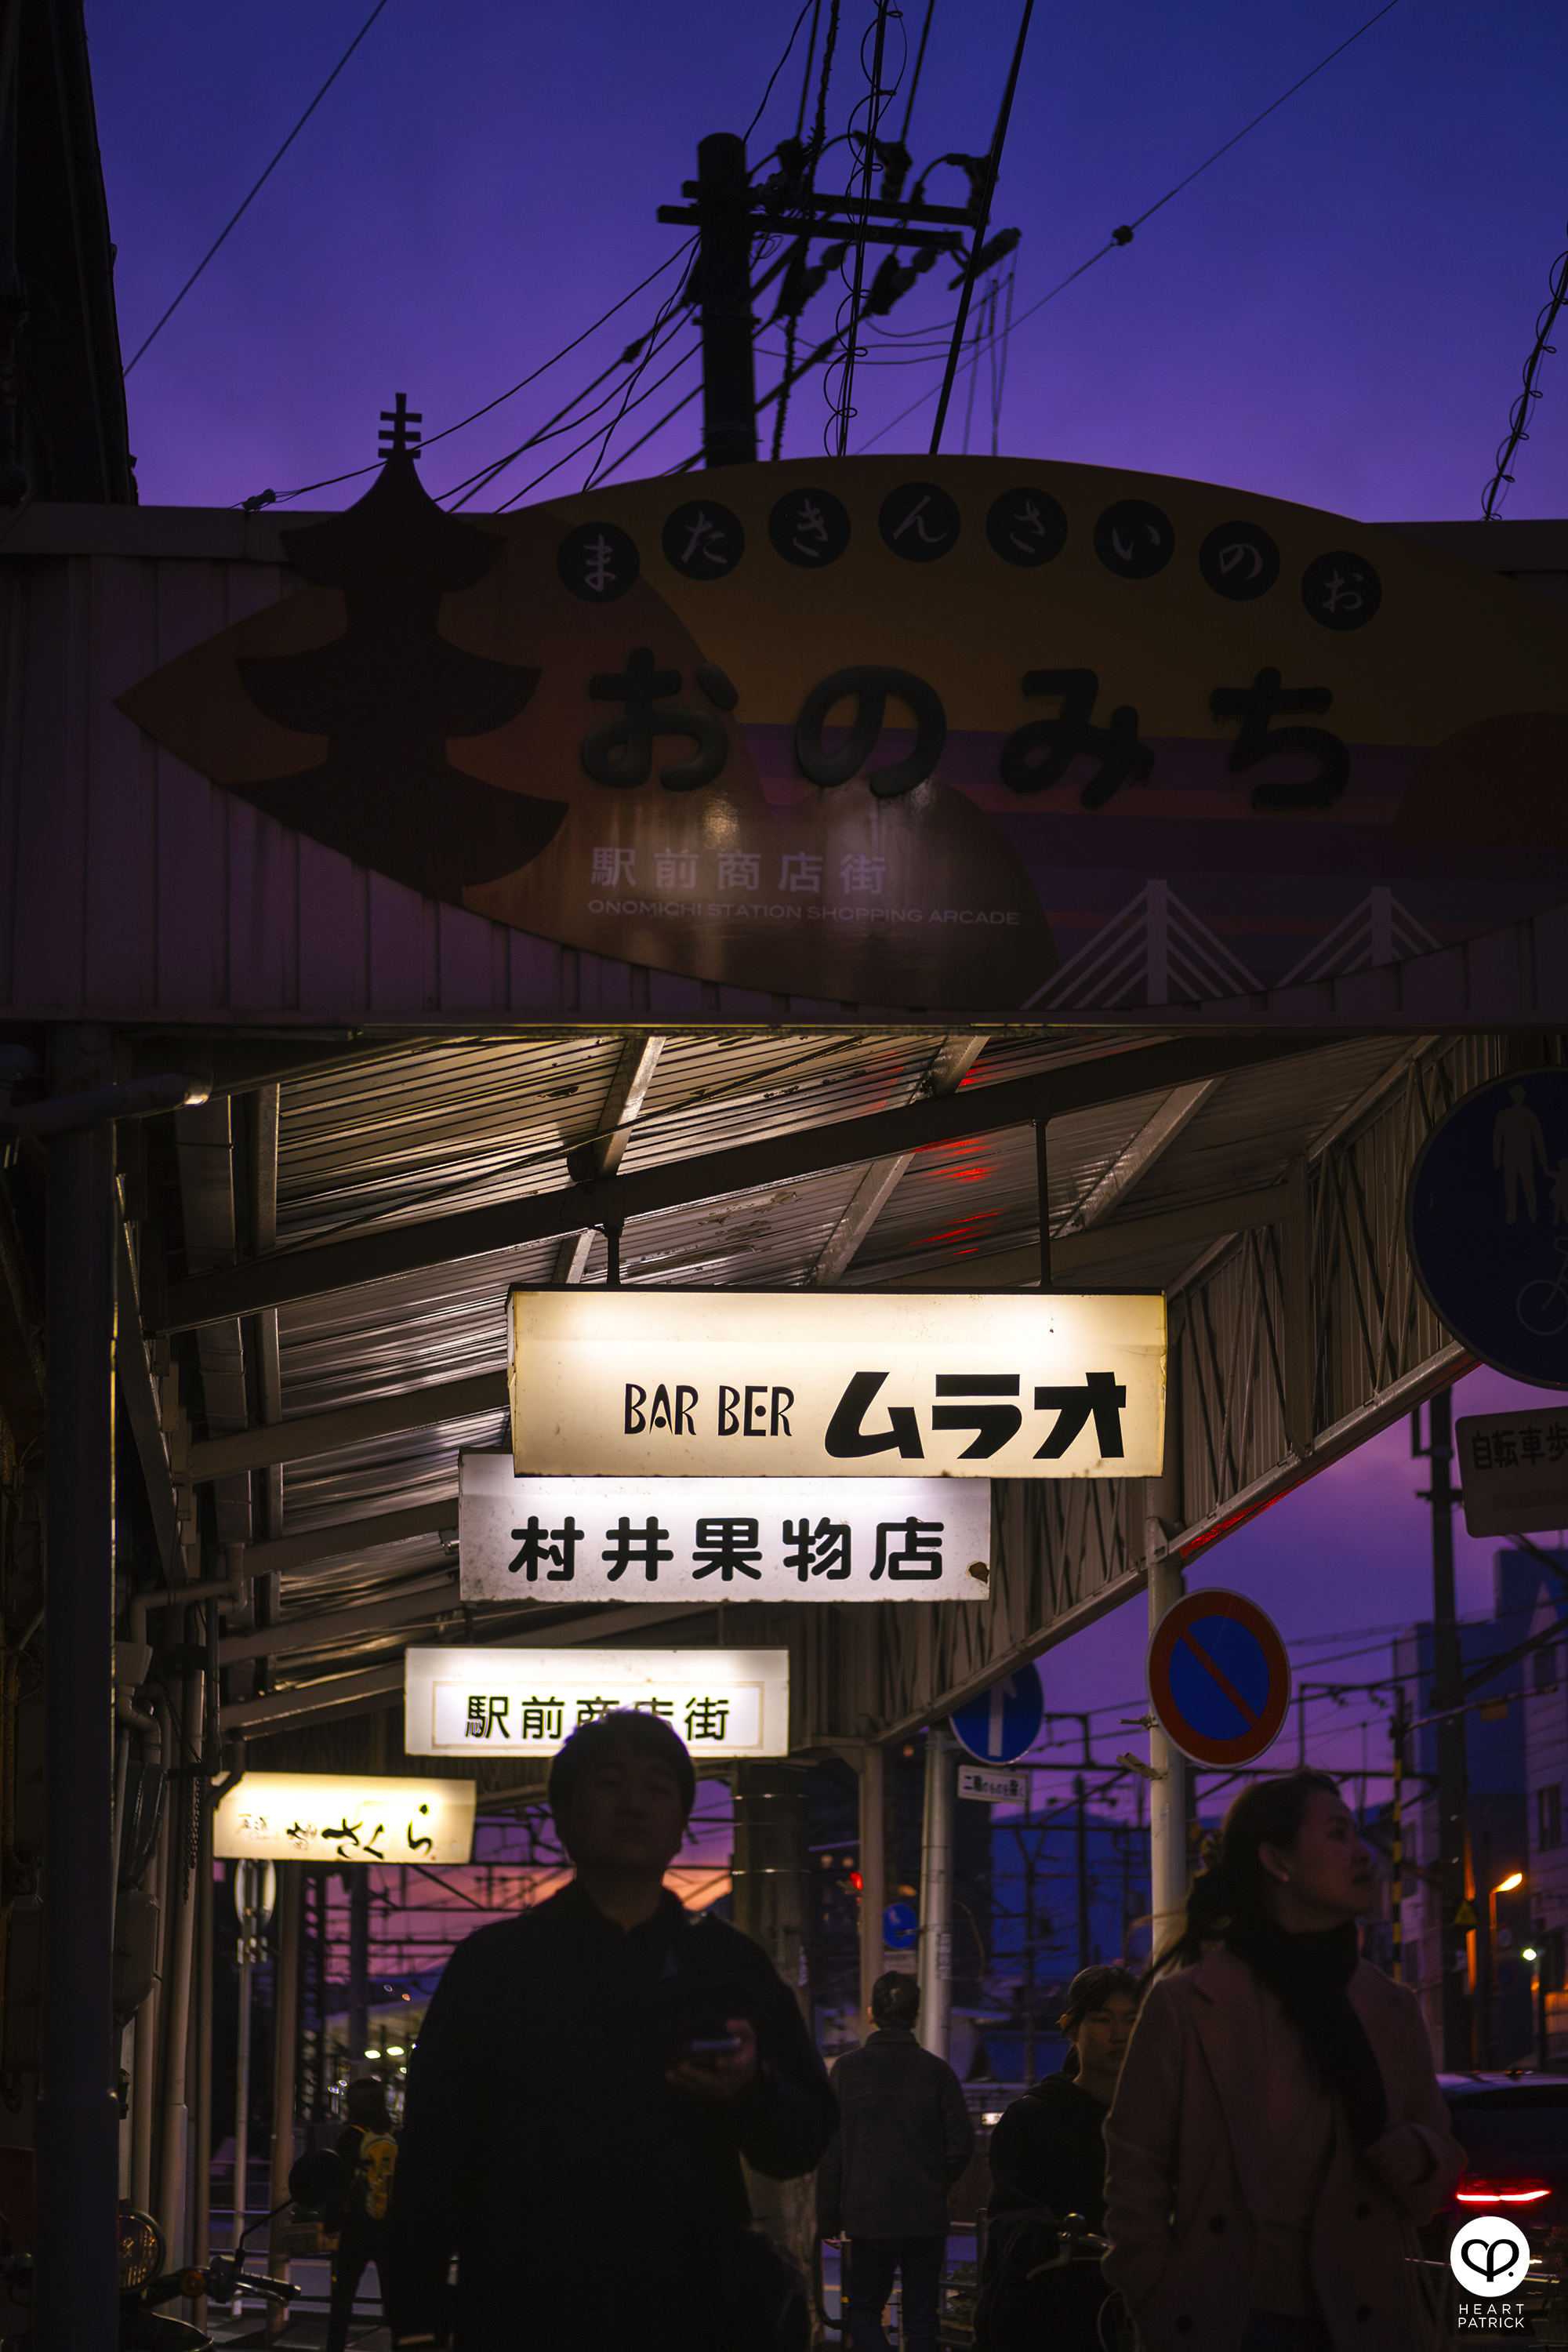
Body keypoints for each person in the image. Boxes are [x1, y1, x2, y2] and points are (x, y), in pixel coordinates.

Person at [381, 1710, 837, 2351]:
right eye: (608, 1782)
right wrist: (417, 2324)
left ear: (681, 1824)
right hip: (527, 2311)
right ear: (563, 1815)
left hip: (692, 2311)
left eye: (657, 1787)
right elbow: (433, 2154)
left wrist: (750, 2088)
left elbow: (803, 2141)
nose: (633, 1803)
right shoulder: (495, 1968)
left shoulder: (730, 1968)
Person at [1102, 1768, 1464, 2352]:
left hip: (1361, 2321)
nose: (1364, 1854)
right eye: (1338, 1834)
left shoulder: (1389, 2007)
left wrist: (1415, 2150)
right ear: (1278, 1862)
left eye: (1357, 1833)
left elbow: (1443, 2157)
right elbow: (1135, 2169)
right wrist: (1154, 2294)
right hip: (1227, 2322)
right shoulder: (1187, 2006)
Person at [975, 1964, 1139, 2352]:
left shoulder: (1156, 2117)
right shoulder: (1033, 2117)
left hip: (1140, 2301)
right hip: (1053, 2309)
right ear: (1070, 2027)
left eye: (1132, 2020)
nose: (1120, 2035)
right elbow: (1011, 2212)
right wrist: (1051, 2239)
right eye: (1102, 2020)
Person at [816, 1971, 974, 2352]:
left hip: (868, 2214)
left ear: (870, 2014)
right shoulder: (937, 2072)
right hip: (924, 2214)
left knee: (863, 2312)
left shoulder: (847, 2071)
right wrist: (936, 2180)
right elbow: (962, 2144)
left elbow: (832, 2148)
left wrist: (828, 2217)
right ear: (916, 2017)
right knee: (922, 2320)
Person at [325, 2074, 397, 2352]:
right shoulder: (394, 2134)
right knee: (393, 2292)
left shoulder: (349, 2138)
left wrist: (332, 2222)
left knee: (344, 2293)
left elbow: (338, 2184)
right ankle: (401, 2343)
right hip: (389, 2225)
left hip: (356, 2225)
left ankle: (335, 2345)